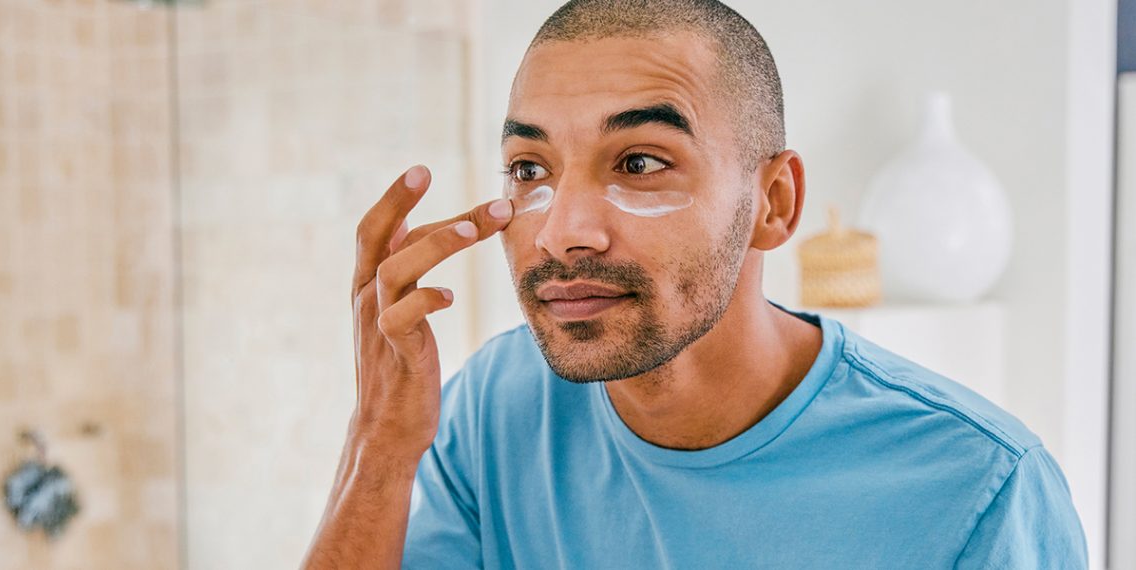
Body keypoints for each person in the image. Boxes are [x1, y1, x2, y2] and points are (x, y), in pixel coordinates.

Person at [301, 1, 1089, 568]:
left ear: (772, 205)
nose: (560, 228)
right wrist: (381, 446)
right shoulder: (490, 412)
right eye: (530, 169)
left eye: (639, 163)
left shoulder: (976, 488)